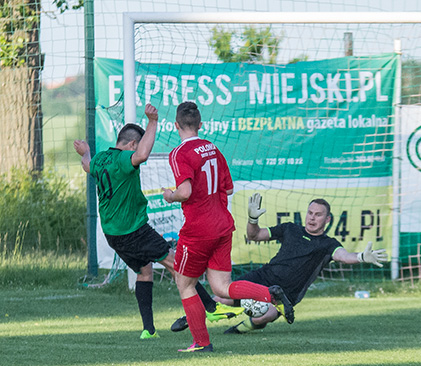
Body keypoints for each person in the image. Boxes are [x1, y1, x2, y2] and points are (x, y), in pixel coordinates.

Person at [73, 104, 233, 340]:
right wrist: (153, 121)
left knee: (145, 271)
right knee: (177, 264)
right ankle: (211, 307)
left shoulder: (100, 160)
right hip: (133, 230)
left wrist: (85, 151)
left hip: (112, 233)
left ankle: (148, 330)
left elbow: (86, 165)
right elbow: (142, 155)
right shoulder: (123, 159)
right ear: (132, 144)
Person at [162, 101, 294, 352]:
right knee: (221, 287)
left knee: (185, 283)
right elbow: (229, 187)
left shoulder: (179, 153)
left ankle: (202, 343)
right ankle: (270, 294)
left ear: (176, 125)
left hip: (199, 229)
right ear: (200, 125)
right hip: (223, 225)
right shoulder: (213, 148)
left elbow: (186, 191)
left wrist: (170, 195)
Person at [169, 196, 388, 334]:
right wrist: (252, 219)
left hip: (286, 295)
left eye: (318, 215)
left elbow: (342, 255)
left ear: (327, 219)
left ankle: (237, 330)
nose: (312, 218)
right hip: (264, 278)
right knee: (220, 298)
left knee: (263, 316)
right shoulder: (291, 229)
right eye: (310, 213)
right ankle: (191, 318)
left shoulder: (327, 244)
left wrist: (360, 257)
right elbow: (254, 236)